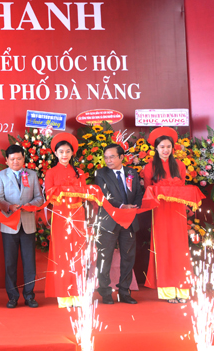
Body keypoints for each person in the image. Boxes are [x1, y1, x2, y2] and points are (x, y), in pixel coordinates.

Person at [142, 127, 190, 303]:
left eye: (168, 146)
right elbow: (147, 190)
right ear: (156, 148)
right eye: (162, 146)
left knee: (180, 248)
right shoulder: (150, 167)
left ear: (173, 147)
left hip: (178, 211)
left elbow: (183, 189)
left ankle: (182, 289)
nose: (165, 150)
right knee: (164, 248)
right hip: (160, 211)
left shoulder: (180, 166)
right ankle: (168, 291)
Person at [0, 144, 44, 309]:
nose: (16, 161)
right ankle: (12, 297)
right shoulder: (0, 176)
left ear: (24, 159)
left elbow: (39, 198)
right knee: (10, 263)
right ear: (7, 160)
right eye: (12, 159)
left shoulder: (31, 174)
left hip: (28, 223)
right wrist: (9, 206)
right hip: (9, 224)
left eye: (19, 158)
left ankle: (30, 296)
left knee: (29, 263)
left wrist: (30, 204)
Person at [94, 143, 143, 305]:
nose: (108, 160)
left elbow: (138, 193)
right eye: (106, 157)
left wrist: (134, 206)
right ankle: (105, 292)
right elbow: (105, 195)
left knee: (128, 256)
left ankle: (124, 291)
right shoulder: (100, 173)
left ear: (122, 157)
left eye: (112, 157)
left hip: (129, 220)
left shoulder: (132, 173)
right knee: (104, 257)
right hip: (109, 221)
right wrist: (122, 206)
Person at [44, 132, 89, 308]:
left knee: (78, 254)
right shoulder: (51, 172)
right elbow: (49, 194)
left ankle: (78, 295)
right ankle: (63, 295)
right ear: (55, 153)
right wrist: (63, 190)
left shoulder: (80, 172)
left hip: (78, 215)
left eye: (67, 151)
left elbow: (84, 193)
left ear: (72, 153)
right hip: (61, 216)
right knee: (62, 253)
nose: (64, 155)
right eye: (61, 151)